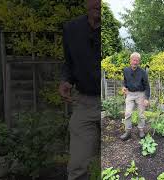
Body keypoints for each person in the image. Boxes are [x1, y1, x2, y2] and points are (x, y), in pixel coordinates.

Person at [58, 0, 100, 179]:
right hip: (85, 103)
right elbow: (69, 62)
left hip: (117, 103)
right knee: (77, 167)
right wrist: (66, 80)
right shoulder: (71, 29)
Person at [120, 52, 150, 141]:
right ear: (130, 60)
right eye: (134, 60)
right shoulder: (125, 70)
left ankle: (141, 130)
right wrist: (124, 87)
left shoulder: (143, 72)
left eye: (137, 60)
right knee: (128, 113)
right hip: (129, 94)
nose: (135, 62)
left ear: (139, 61)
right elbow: (124, 81)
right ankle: (128, 131)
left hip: (140, 94)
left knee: (141, 114)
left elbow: (147, 86)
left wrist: (146, 98)